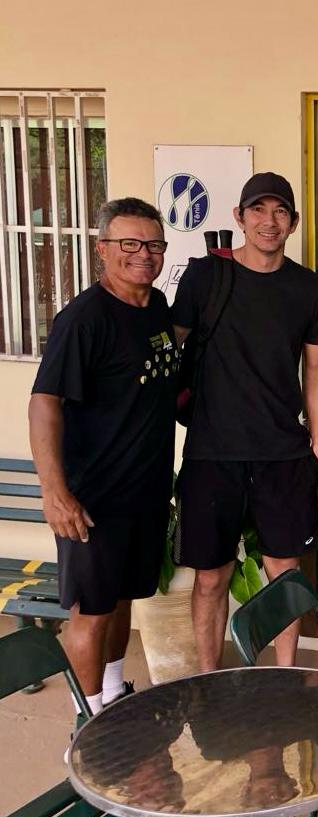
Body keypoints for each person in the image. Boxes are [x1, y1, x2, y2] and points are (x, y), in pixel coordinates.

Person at [171, 172, 318, 671]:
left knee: (285, 573)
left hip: (282, 452)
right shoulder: (205, 277)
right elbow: (170, 349)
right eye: (258, 209)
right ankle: (209, 676)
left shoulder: (307, 287)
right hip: (211, 451)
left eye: (280, 211)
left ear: (293, 222)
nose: (269, 221)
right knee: (211, 576)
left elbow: (317, 368)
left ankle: (284, 675)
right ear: (239, 217)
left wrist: (317, 443)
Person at [29, 197, 178, 715]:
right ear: (103, 249)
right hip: (94, 498)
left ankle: (112, 696)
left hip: (145, 492)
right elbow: (44, 404)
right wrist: (55, 493)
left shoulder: (156, 307)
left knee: (122, 599)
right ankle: (86, 723)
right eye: (129, 243)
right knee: (90, 613)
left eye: (153, 244)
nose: (143, 254)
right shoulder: (83, 319)